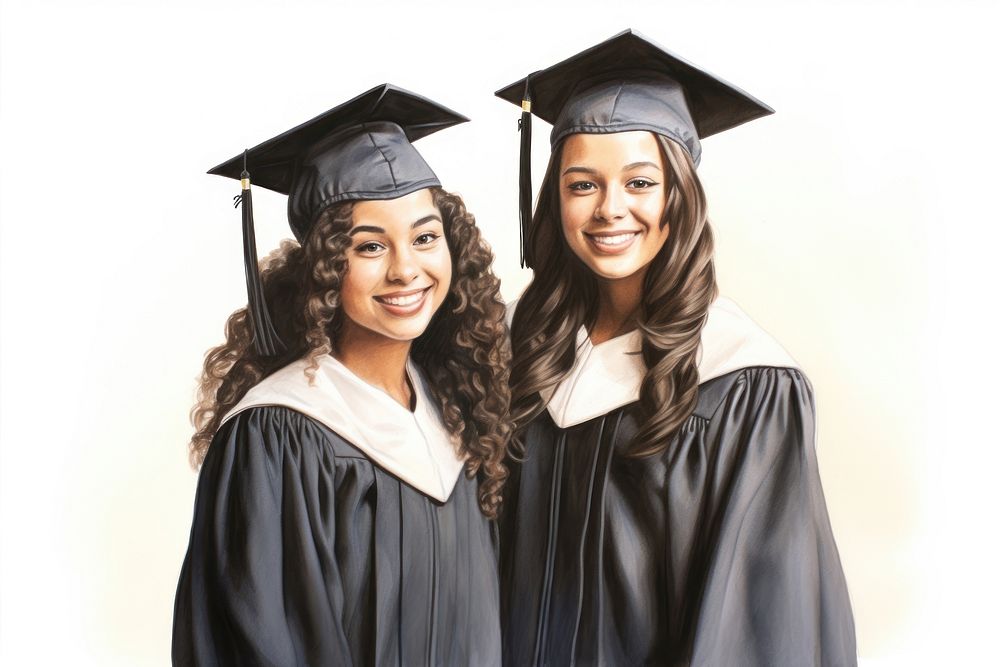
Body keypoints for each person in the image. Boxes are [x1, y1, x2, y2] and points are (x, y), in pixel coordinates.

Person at [495, 30, 857, 666]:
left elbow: (757, 622)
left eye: (640, 182)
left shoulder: (744, 384)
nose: (611, 209)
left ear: (677, 195)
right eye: (583, 184)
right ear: (556, 196)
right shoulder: (519, 353)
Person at [172, 84, 510, 666]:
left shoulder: (455, 416)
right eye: (369, 246)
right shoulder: (279, 435)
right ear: (326, 266)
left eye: (425, 238)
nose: (407, 269)